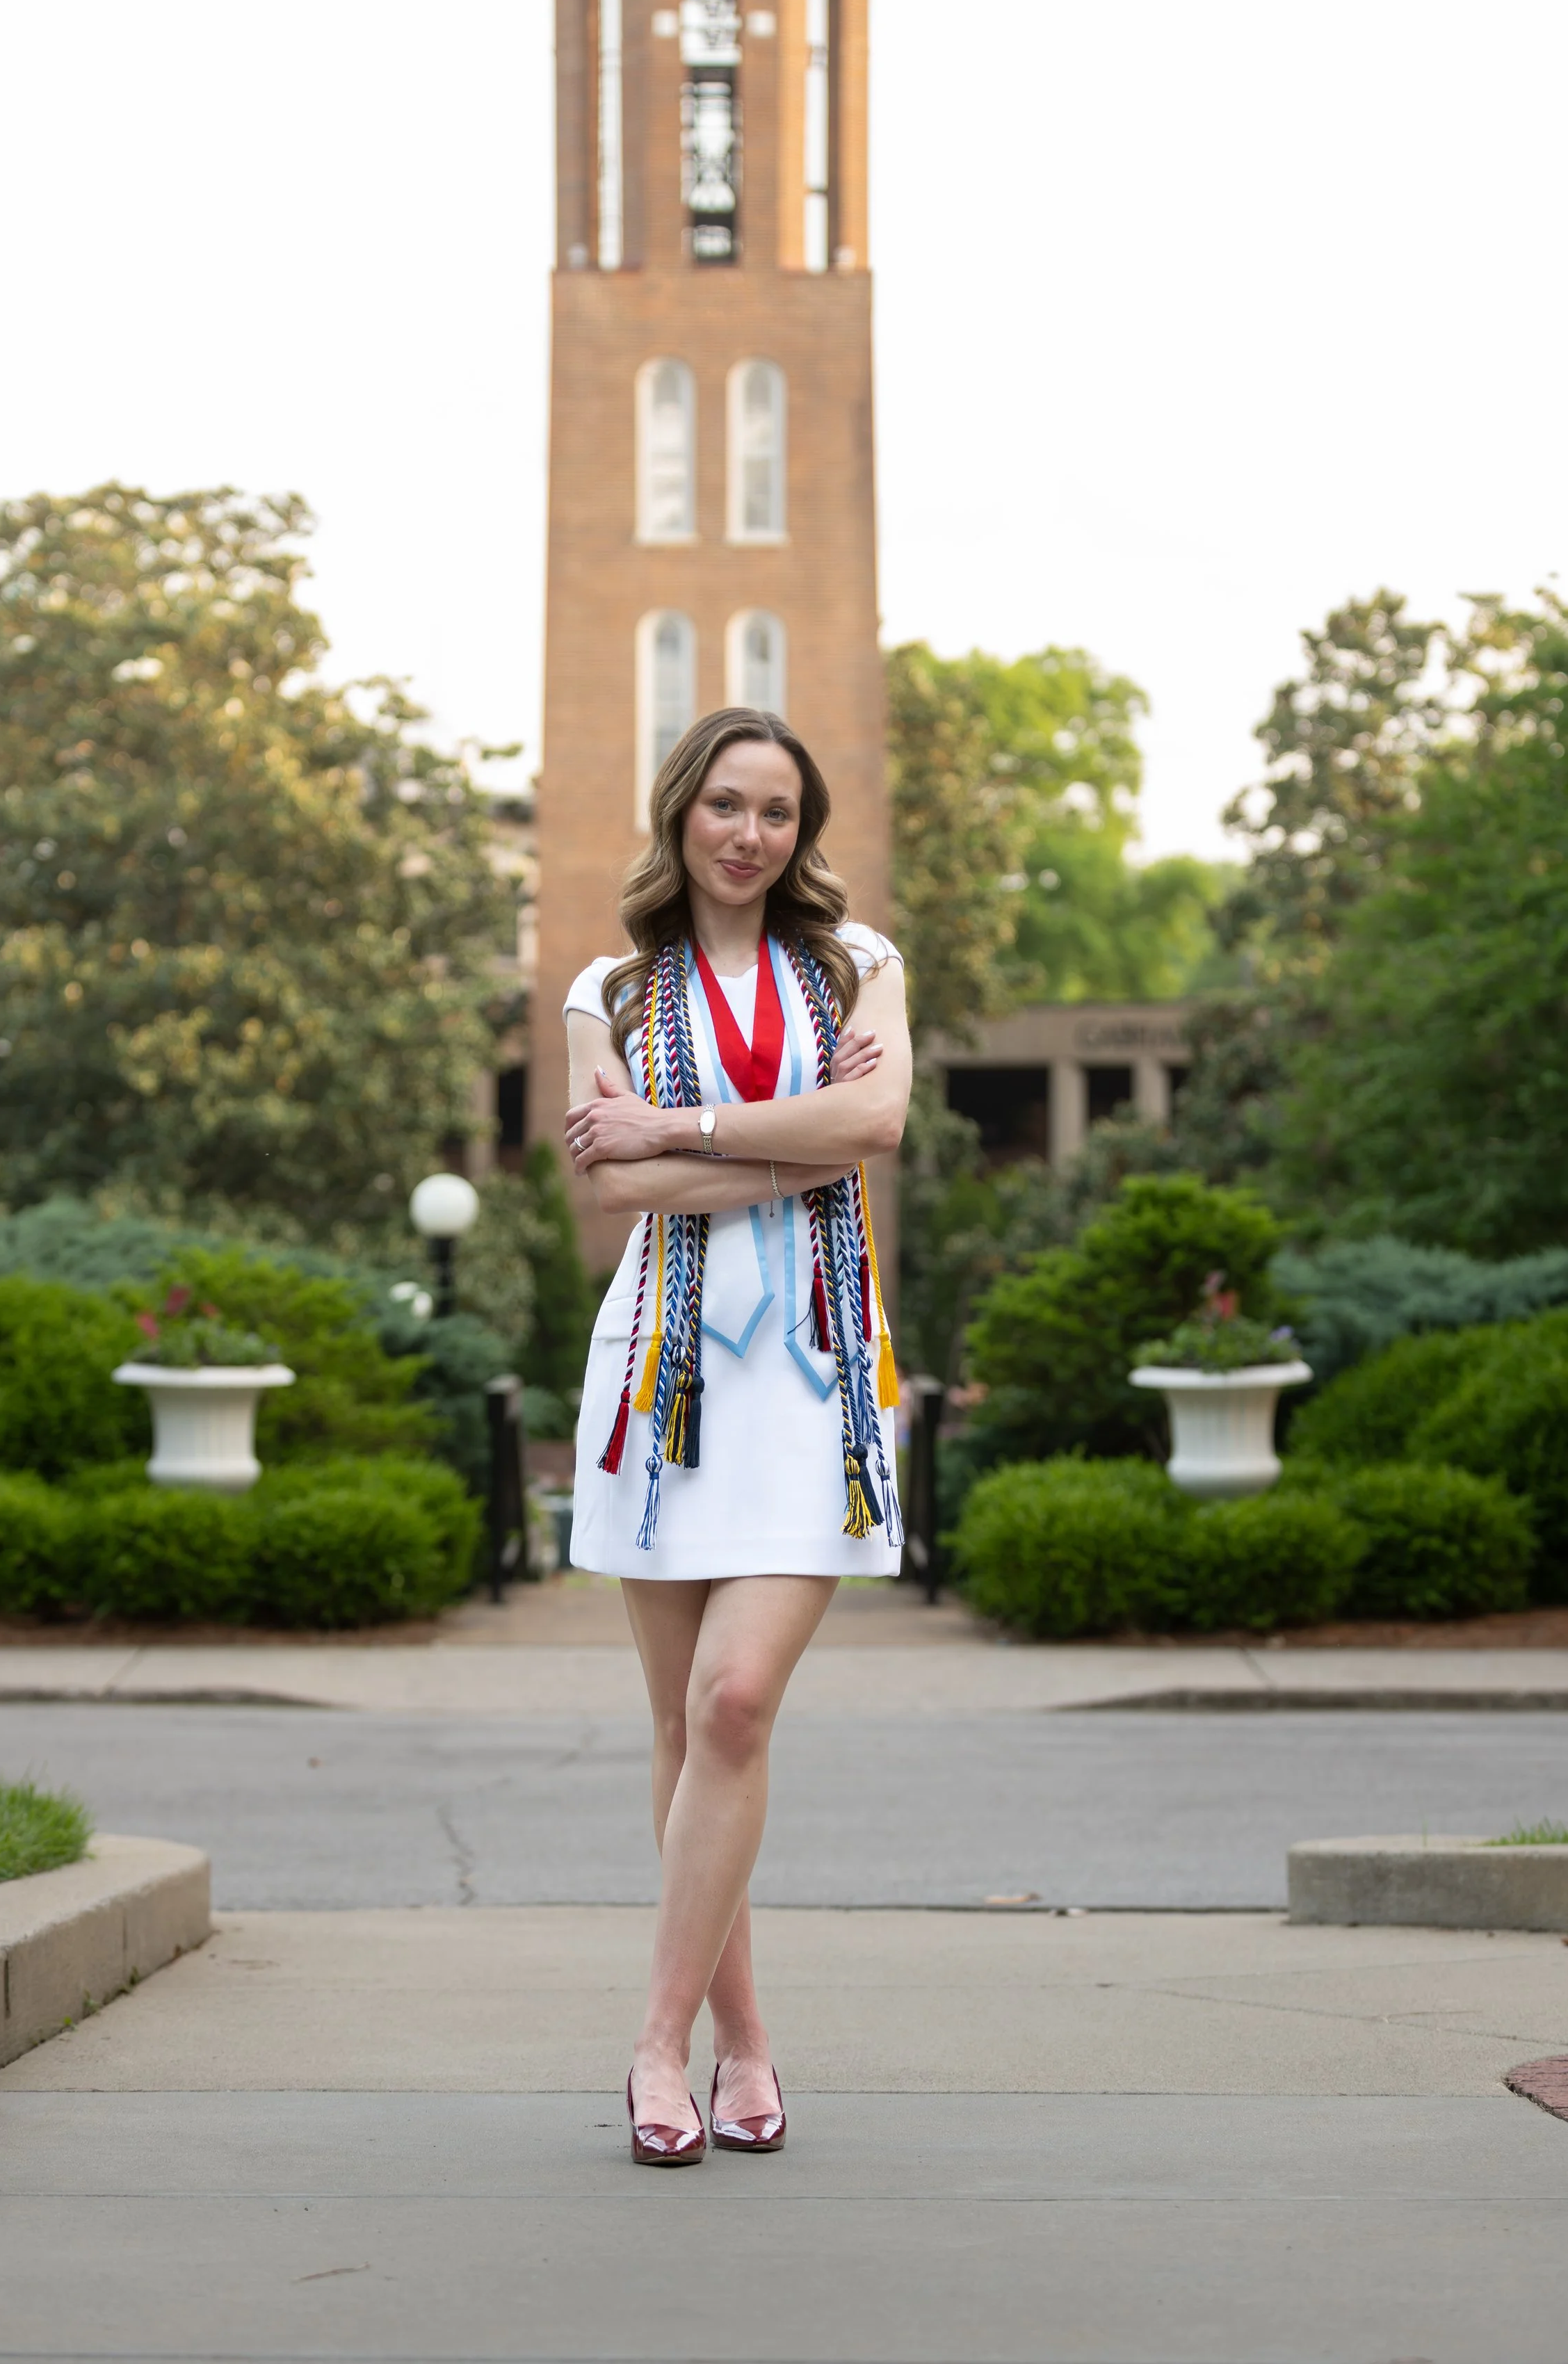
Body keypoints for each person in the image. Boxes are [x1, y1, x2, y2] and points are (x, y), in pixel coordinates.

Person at [563, 705, 912, 2169]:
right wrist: (786, 1132)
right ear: (679, 814)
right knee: (682, 1727)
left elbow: (876, 1122)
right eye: (724, 804)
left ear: (799, 830)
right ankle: (744, 2045)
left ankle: (652, 2043)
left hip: (816, 1386)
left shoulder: (858, 965)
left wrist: (683, 1130)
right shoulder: (611, 990)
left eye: (775, 810)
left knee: (732, 1706)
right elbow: (612, 1195)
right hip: (661, 1381)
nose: (747, 832)